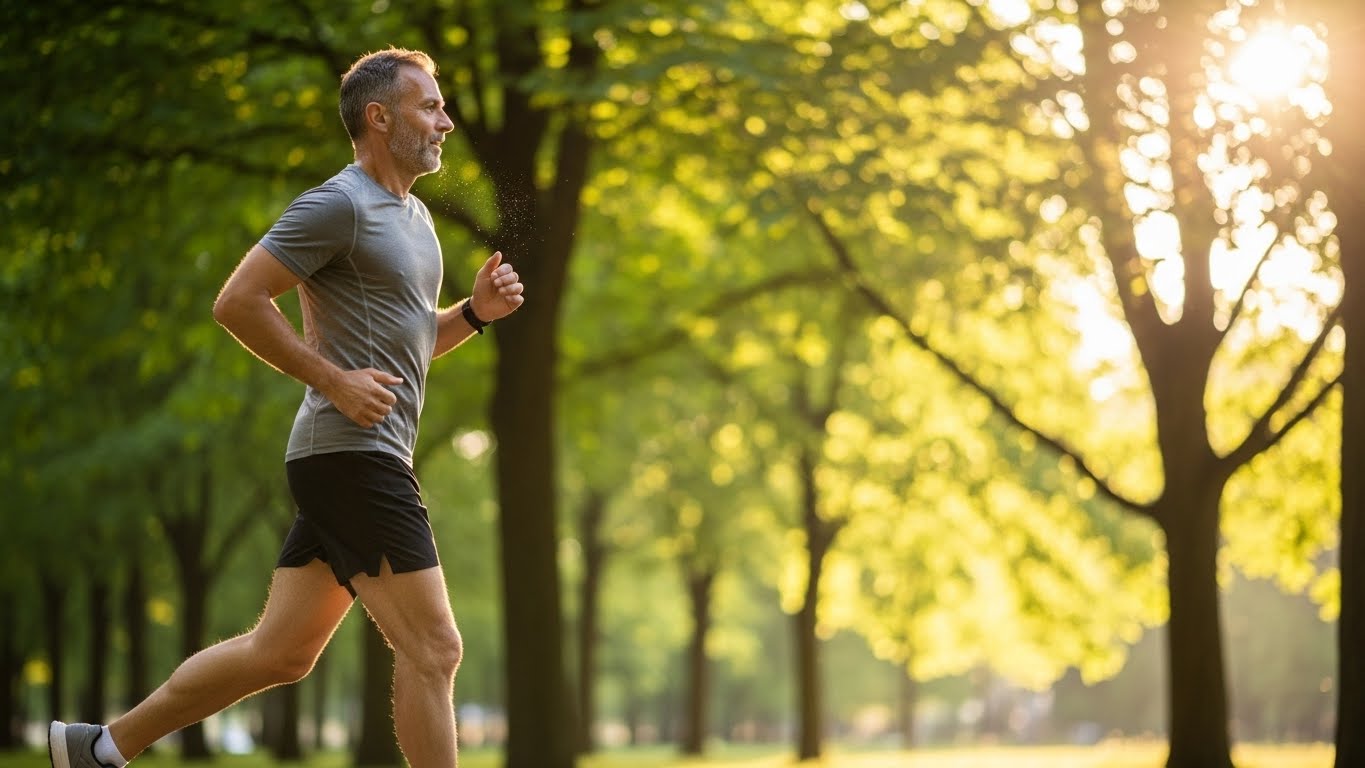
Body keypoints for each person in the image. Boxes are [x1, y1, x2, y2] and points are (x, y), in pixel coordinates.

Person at [48, 47, 521, 768]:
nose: (446, 122)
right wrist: (332, 381)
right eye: (429, 107)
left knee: (280, 654)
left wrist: (474, 314)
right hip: (351, 457)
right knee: (434, 648)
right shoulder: (338, 203)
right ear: (378, 116)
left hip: (352, 455)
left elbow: (406, 348)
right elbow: (237, 301)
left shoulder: (416, 217)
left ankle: (100, 747)